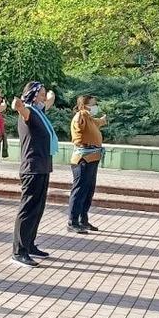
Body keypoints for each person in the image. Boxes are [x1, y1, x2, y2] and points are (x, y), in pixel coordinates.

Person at [9, 81, 57, 268]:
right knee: (28, 210)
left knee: (38, 209)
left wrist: (50, 93)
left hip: (43, 166)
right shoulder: (28, 112)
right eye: (42, 93)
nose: (44, 96)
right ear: (33, 95)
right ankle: (18, 251)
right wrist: (18, 105)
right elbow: (20, 108)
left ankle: (29, 244)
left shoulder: (39, 112)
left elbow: (50, 100)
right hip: (32, 167)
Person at [67, 95, 108, 234]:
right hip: (83, 160)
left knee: (88, 191)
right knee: (79, 190)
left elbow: (98, 122)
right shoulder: (81, 116)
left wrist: (102, 120)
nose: (95, 106)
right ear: (84, 105)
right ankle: (72, 221)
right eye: (93, 104)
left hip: (93, 159)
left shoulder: (89, 118)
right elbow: (77, 132)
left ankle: (83, 219)